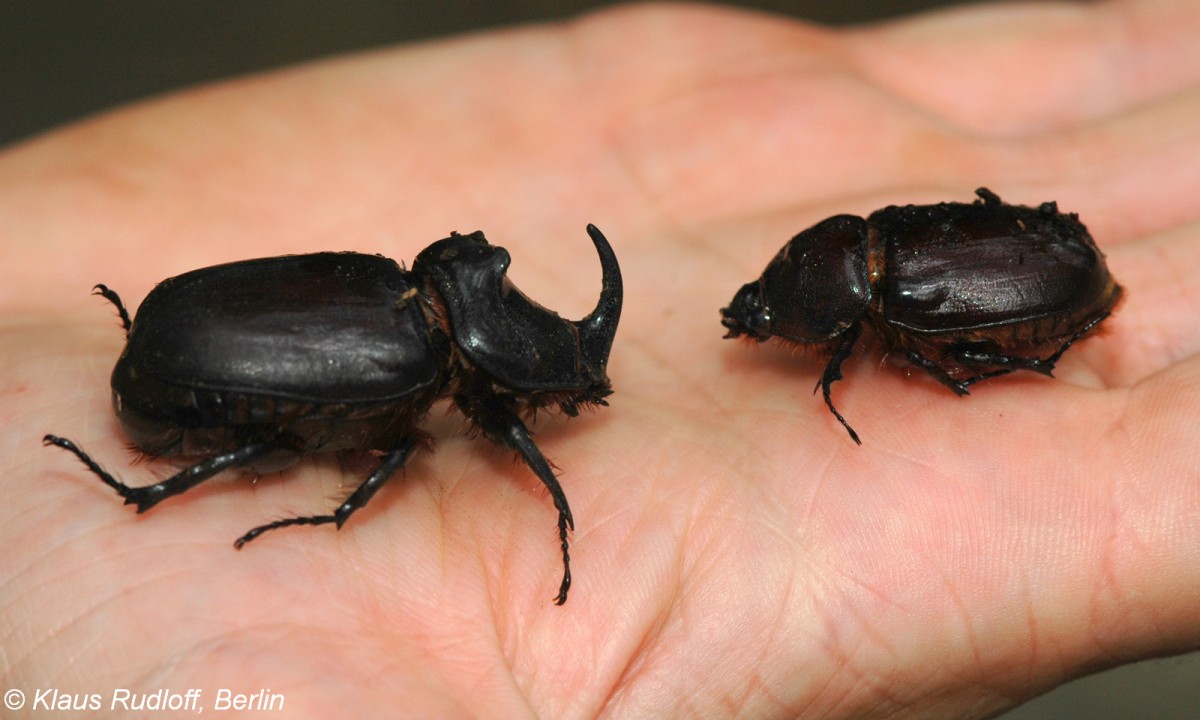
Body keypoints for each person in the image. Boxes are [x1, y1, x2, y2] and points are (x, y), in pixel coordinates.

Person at [3, 1, 1198, 717]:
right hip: (178, 391)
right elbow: (395, 466)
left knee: (308, 452)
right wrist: (552, 511)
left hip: (179, 326)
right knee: (275, 452)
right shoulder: (418, 373)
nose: (567, 395)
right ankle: (146, 493)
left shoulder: (402, 297)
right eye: (558, 380)